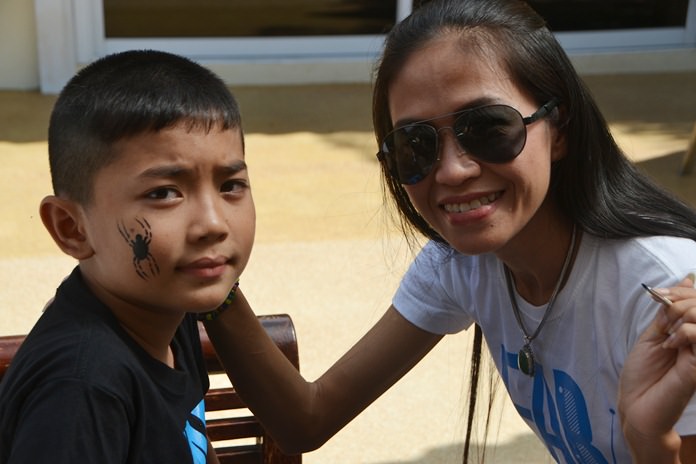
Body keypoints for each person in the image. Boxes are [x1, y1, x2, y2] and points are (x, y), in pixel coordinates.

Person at [201, 1, 696, 463]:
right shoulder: (463, 264)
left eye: (488, 127)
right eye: (414, 146)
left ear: (559, 128)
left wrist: (652, 442)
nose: (453, 170)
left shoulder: (664, 294)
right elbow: (307, 420)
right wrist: (212, 280)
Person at [0, 50, 254, 464]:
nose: (213, 222)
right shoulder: (81, 394)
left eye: (231, 185)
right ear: (71, 228)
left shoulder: (170, 312)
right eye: (163, 193)